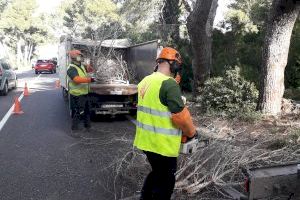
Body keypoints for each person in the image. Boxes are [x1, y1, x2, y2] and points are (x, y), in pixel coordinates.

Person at [133, 47, 197, 200]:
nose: (177, 69)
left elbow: (155, 105)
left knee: (156, 172)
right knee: (167, 179)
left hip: (146, 141)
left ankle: (145, 197)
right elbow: (181, 117)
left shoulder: (145, 81)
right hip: (162, 145)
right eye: (177, 65)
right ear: (172, 64)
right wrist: (192, 133)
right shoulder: (168, 84)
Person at [67, 50, 95, 137]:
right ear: (74, 57)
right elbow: (76, 80)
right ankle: (74, 130)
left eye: (81, 56)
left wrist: (88, 66)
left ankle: (88, 127)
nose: (81, 57)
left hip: (85, 93)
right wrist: (89, 80)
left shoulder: (81, 66)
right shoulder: (71, 68)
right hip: (77, 95)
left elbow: (90, 70)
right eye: (80, 56)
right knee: (78, 112)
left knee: (87, 111)